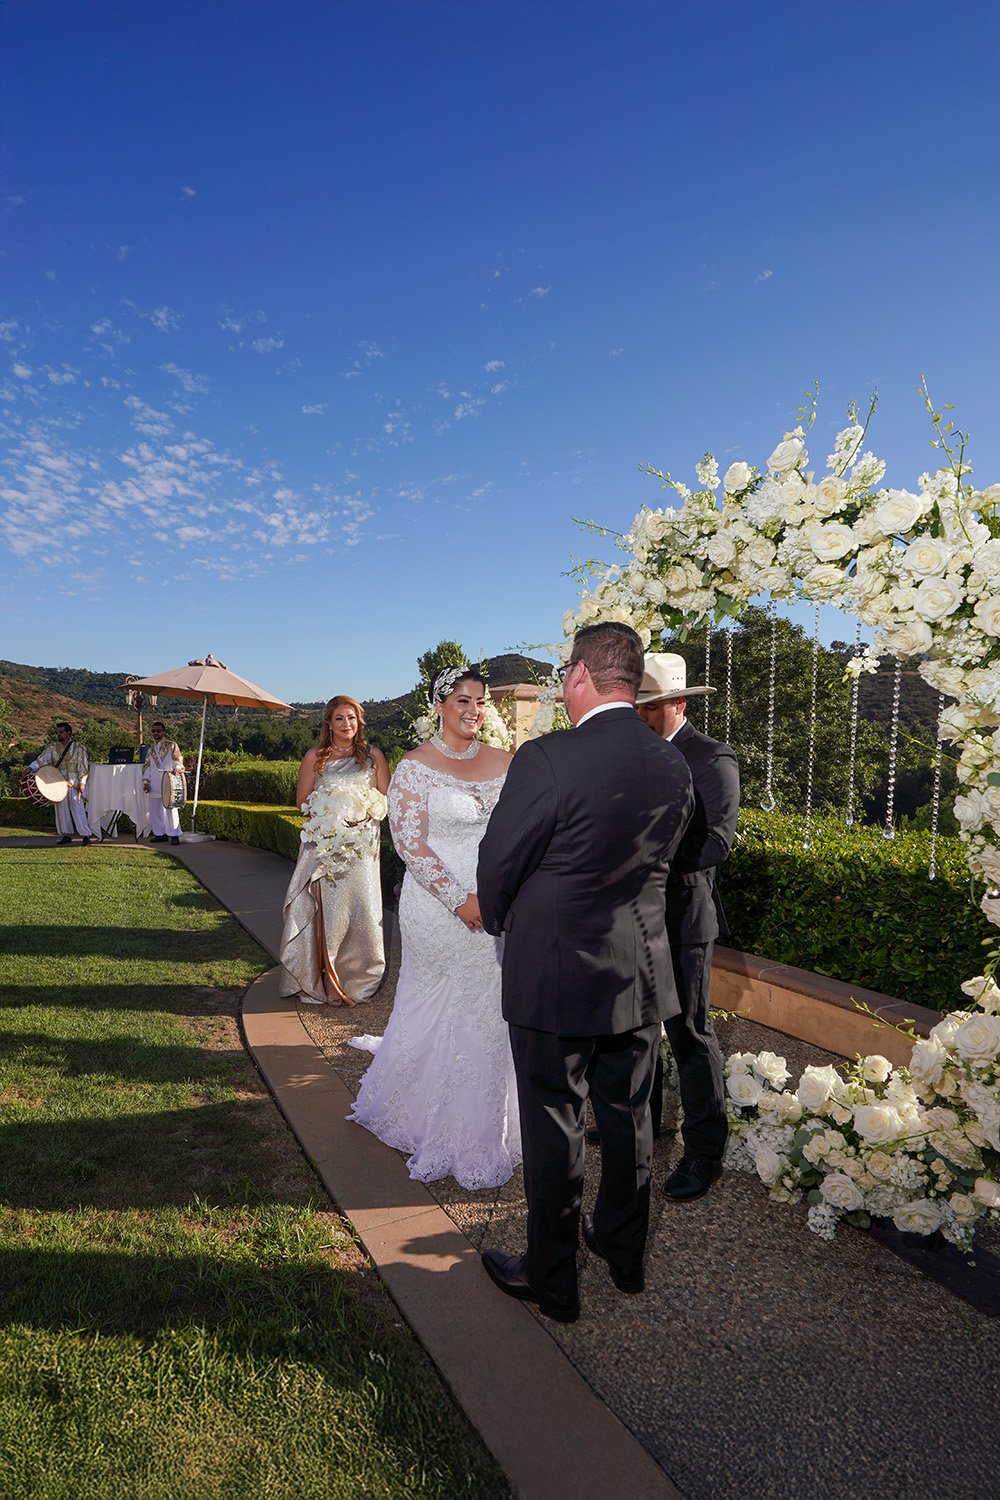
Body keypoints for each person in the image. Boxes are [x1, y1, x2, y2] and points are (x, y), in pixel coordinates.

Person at [476, 622, 694, 1323]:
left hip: (555, 974)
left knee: (554, 1126)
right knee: (629, 1121)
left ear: (578, 675)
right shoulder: (672, 764)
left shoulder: (546, 758)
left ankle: (553, 1280)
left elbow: (498, 866)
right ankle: (625, 1258)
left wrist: (506, 919)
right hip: (638, 974)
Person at [348, 666, 521, 1191]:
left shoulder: (507, 763)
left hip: (497, 904)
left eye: (481, 702)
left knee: (492, 1006)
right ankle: (424, 1115)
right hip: (439, 907)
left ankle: (495, 1120)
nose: (474, 711)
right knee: (439, 1002)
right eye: (463, 700)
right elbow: (409, 843)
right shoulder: (414, 767)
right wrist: (459, 900)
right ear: (440, 705)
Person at [635, 654, 740, 1203]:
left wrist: (642, 866)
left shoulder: (711, 757)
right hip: (634, 921)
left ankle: (704, 1152)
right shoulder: (634, 754)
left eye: (647, 708)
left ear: (676, 704)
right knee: (640, 1031)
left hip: (683, 919)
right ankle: (642, 1134)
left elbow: (716, 841)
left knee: (690, 1036)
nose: (639, 717)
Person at [278, 696, 390, 1006]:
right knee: (329, 913)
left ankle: (359, 981)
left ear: (360, 721)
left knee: (362, 911)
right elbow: (303, 801)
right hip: (327, 847)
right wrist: (330, 817)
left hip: (362, 850)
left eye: (352, 718)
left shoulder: (373, 757)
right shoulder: (315, 757)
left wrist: (360, 817)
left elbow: (385, 800)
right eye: (340, 718)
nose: (347, 724)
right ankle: (323, 980)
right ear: (329, 723)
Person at [30, 722, 92, 845]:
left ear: (68, 733)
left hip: (74, 783)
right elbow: (41, 760)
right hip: (57, 783)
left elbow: (83, 767)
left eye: (61, 732)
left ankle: (86, 835)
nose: (58, 735)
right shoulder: (52, 748)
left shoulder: (79, 748)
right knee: (61, 810)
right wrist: (30, 768)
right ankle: (66, 834)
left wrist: (82, 782)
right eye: (57, 732)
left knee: (77, 808)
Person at [143, 720, 185, 845]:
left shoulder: (171, 745)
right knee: (155, 808)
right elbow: (147, 766)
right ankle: (160, 833)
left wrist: (177, 768)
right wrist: (145, 781)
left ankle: (174, 834)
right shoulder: (151, 749)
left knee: (170, 807)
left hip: (168, 779)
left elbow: (178, 759)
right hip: (154, 780)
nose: (156, 733)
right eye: (153, 731)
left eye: (158, 731)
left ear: (163, 732)